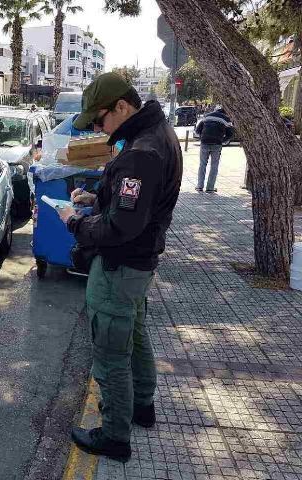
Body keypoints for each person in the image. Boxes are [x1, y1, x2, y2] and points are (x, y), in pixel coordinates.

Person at [56, 72, 183, 463]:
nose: (97, 128)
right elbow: (133, 208)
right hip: (138, 266)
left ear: (122, 107)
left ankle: (114, 436)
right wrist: (97, 198)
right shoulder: (158, 135)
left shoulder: (141, 152)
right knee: (137, 334)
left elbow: (121, 227)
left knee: (111, 353)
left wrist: (74, 221)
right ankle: (143, 406)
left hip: (119, 268)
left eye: (99, 119)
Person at [194, 107, 233, 193]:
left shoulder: (207, 116)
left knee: (202, 164)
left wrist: (202, 137)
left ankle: (199, 186)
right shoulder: (226, 119)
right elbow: (230, 134)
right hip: (217, 144)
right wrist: (222, 141)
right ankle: (210, 188)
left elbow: (197, 131)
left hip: (204, 142)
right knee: (214, 166)